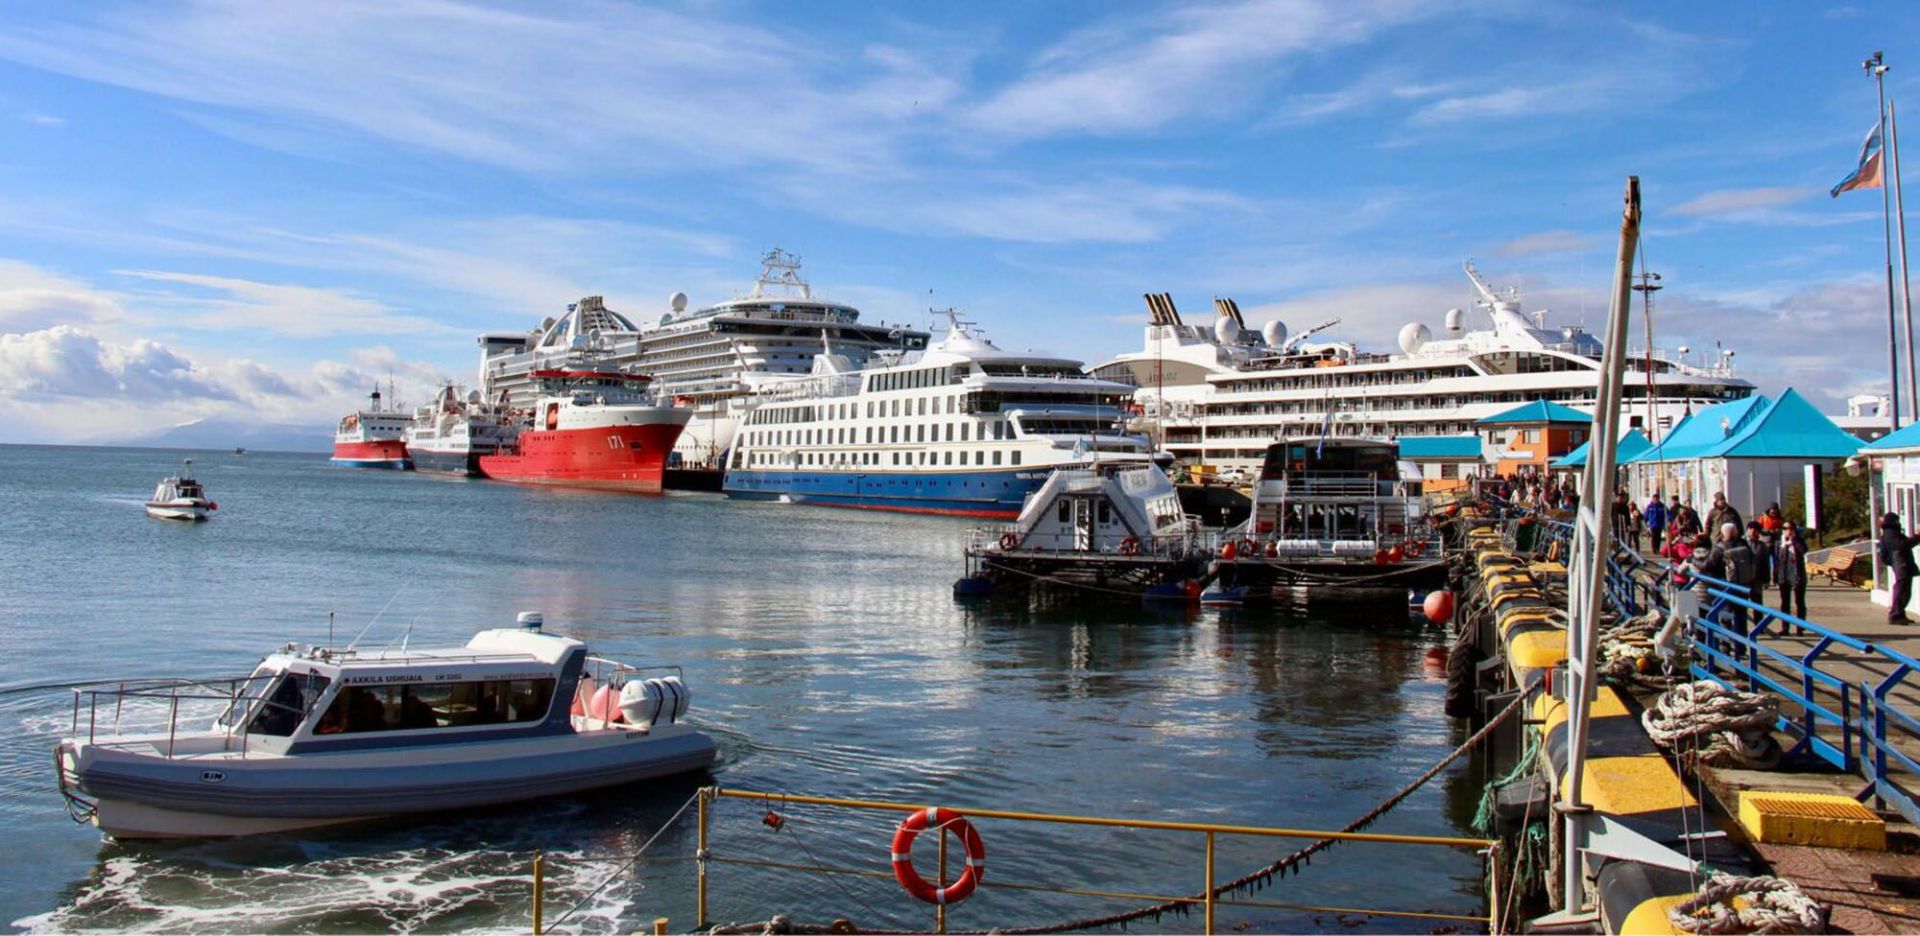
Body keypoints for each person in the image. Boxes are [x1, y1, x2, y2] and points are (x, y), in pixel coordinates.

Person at [1881, 512, 1918, 625]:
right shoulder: (1891, 533)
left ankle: (1900, 614)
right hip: (1901, 563)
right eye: (1897, 520)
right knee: (1902, 589)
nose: (1899, 522)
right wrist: (1917, 537)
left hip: (1899, 562)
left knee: (1904, 590)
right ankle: (1896, 615)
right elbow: (1901, 545)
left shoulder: (1889, 533)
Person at [1717, 522, 1753, 634]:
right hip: (1743, 584)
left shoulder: (1719, 547)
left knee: (1725, 615)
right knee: (1741, 616)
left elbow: (1710, 565)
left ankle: (1725, 645)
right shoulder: (1744, 545)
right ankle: (1741, 646)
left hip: (1725, 585)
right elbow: (1752, 560)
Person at [1776, 521, 1809, 633]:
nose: (1788, 531)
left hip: (1797, 575)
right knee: (1785, 602)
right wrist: (1775, 576)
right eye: (1785, 528)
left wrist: (1793, 541)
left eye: (1790, 528)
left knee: (1799, 602)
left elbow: (1803, 551)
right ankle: (1785, 627)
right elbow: (1777, 561)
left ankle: (1800, 627)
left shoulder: (1799, 541)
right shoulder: (1780, 543)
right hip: (1784, 575)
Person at [1744, 521, 1772, 617]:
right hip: (1744, 578)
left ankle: (1759, 624)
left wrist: (1767, 579)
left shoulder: (1762, 546)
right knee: (1742, 602)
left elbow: (1766, 563)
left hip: (1757, 578)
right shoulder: (1742, 543)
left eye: (1755, 529)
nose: (1752, 531)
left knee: (1757, 602)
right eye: (1750, 529)